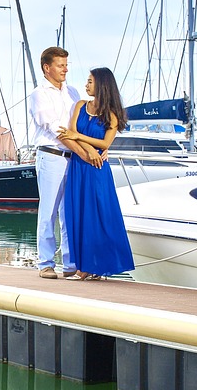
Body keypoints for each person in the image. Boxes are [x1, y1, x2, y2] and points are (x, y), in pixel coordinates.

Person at [57, 68, 135, 279]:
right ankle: (83, 267)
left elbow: (105, 143)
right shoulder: (81, 105)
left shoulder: (111, 115)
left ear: (101, 85)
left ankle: (97, 267)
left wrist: (82, 139)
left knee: (99, 216)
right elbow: (69, 133)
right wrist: (89, 149)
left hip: (97, 169)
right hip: (79, 165)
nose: (86, 85)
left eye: (90, 81)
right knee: (78, 214)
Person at [27, 46, 81, 280]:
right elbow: (57, 129)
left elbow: (78, 126)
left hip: (74, 157)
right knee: (48, 210)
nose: (65, 69)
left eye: (66, 65)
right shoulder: (39, 94)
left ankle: (70, 263)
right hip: (51, 155)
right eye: (60, 65)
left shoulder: (73, 92)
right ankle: (45, 263)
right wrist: (86, 151)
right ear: (47, 68)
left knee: (69, 212)